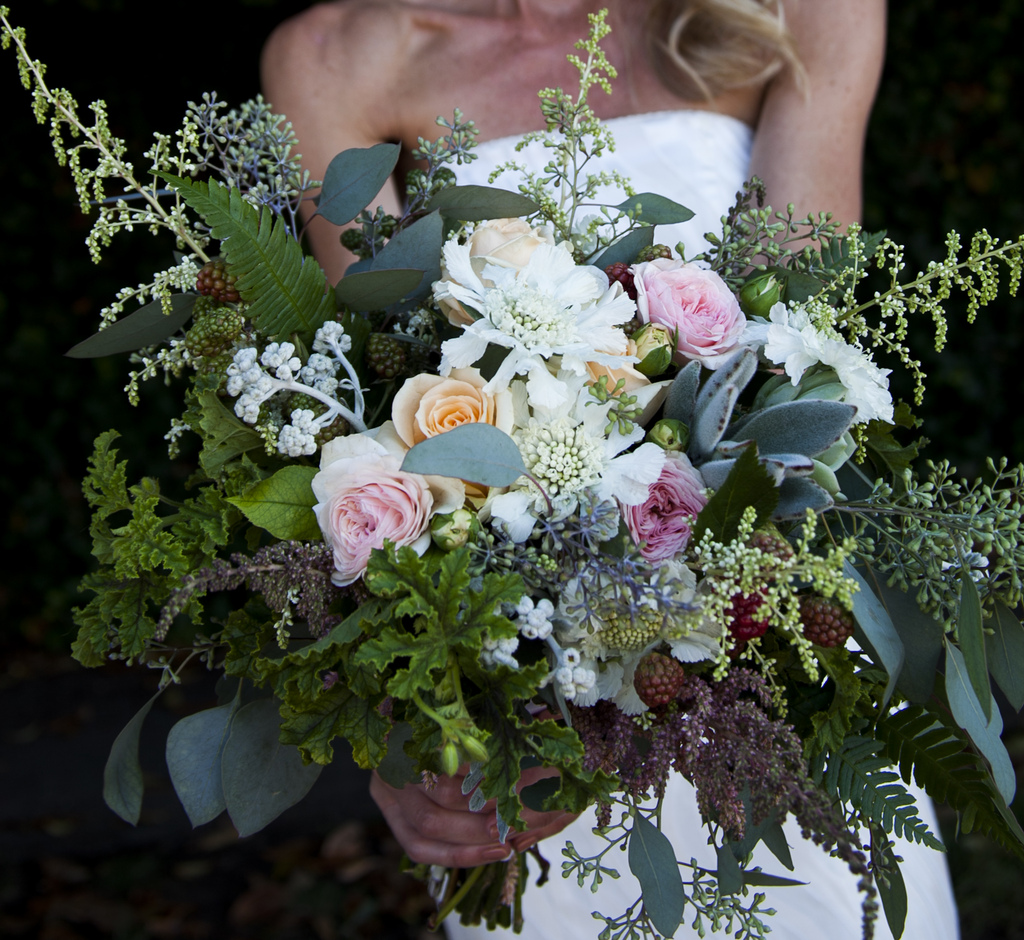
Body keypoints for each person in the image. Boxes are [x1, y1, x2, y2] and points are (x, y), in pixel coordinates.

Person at [259, 3, 961, 938]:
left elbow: (801, 362)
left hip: (769, 662)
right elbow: (378, 417)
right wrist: (406, 735)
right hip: (533, 732)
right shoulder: (334, 58)